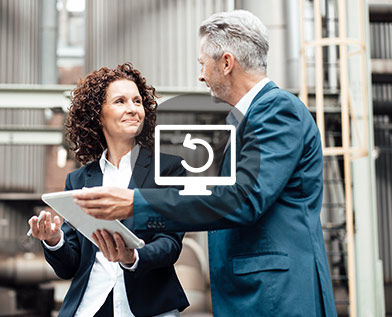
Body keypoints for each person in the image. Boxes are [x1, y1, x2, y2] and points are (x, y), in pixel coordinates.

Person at [73, 10, 337, 316]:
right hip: (256, 291)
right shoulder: (245, 119)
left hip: (276, 295)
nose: (201, 76)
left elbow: (244, 198)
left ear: (226, 63)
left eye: (203, 64)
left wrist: (137, 203)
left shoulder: (277, 111)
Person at [28, 63, 189, 317]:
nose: (133, 109)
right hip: (90, 307)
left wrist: (131, 256)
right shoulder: (79, 179)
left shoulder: (168, 170)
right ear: (98, 115)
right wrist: (53, 239)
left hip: (147, 307)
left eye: (137, 101)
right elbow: (70, 265)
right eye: (120, 101)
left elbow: (170, 244)